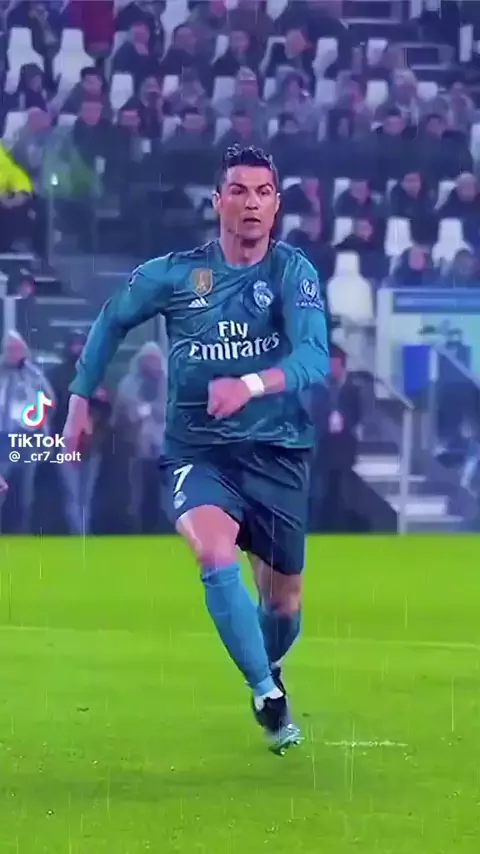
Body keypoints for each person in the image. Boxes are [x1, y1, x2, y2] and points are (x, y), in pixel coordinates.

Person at [64, 145, 329, 754]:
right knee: (213, 554)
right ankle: (266, 695)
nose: (251, 203)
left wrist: (248, 385)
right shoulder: (178, 274)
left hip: (277, 451)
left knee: (283, 607)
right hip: (199, 452)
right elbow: (112, 317)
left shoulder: (292, 272)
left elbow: (314, 357)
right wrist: (79, 397)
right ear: (217, 202)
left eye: (263, 192)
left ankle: (267, 662)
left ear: (277, 205)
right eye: (238, 190)